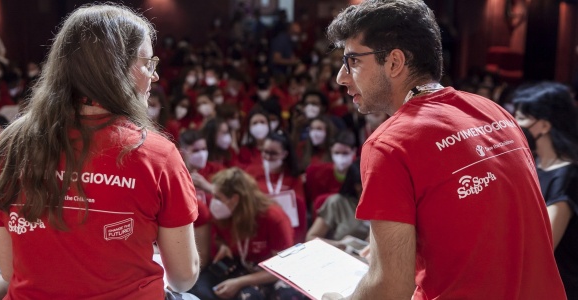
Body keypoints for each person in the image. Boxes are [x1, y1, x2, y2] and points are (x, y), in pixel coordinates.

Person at [323, 0, 566, 299]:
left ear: (395, 62)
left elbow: (390, 288)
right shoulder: (494, 111)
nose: (341, 78)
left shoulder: (389, 144)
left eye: (353, 61)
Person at [0, 4, 200, 299]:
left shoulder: (6, 147)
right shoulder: (157, 156)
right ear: (116, 69)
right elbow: (184, 278)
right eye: (148, 63)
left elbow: (10, 271)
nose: (154, 76)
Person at [188, 167, 302, 300]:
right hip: (239, 264)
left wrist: (239, 282)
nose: (214, 201)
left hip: (270, 272)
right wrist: (223, 245)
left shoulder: (274, 218)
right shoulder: (224, 215)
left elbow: (283, 268)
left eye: (218, 197)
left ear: (235, 199)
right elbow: (219, 238)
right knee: (199, 289)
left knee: (253, 297)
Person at [512, 81, 578, 299]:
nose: (515, 124)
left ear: (544, 126)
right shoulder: (533, 163)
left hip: (559, 287)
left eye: (522, 118)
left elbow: (544, 244)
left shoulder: (567, 176)